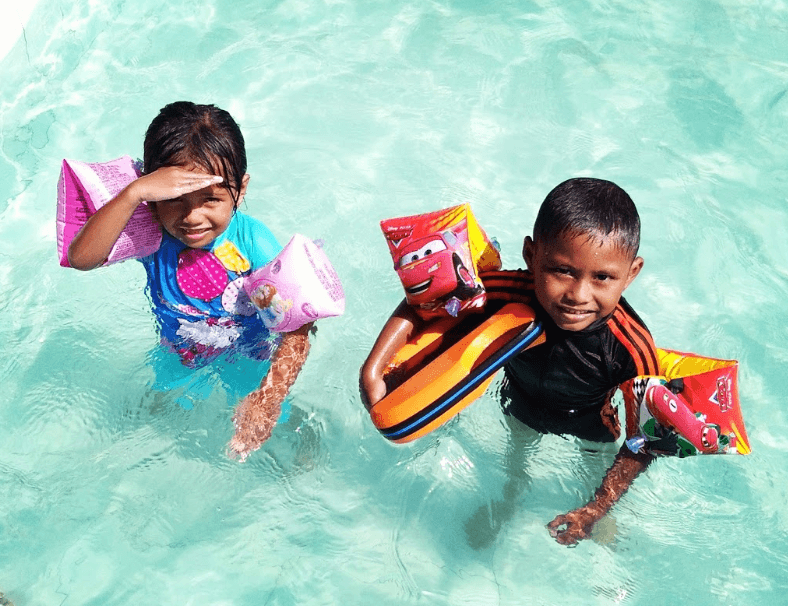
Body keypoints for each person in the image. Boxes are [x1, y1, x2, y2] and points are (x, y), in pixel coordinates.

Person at [360, 177, 659, 545]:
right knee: (514, 467)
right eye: (562, 270)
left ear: (631, 274)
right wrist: (373, 368)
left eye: (602, 278)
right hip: (517, 404)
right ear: (532, 257)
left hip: (591, 429)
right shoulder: (508, 291)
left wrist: (597, 507)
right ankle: (507, 501)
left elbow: (644, 440)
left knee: (597, 503)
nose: (579, 295)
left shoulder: (632, 346)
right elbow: (425, 302)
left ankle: (599, 527)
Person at [68, 101, 311, 461]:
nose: (192, 217)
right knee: (158, 413)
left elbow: (299, 327)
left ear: (240, 190)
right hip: (179, 352)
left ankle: (304, 450)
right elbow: (81, 259)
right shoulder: (152, 235)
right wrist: (133, 193)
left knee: (278, 427)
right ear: (154, 199)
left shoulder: (254, 244)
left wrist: (269, 397)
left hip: (250, 355)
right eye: (175, 200)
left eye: (211, 199)